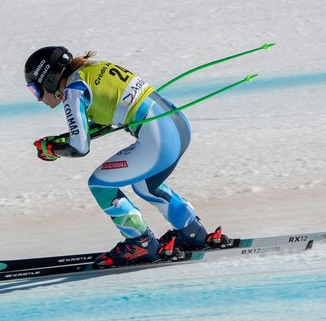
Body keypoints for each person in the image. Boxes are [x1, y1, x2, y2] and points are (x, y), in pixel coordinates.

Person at [24, 45, 213, 268]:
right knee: (145, 185)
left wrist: (51, 151)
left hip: (159, 140)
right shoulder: (91, 69)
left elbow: (79, 146)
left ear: (48, 79)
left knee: (100, 185)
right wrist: (59, 141)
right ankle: (192, 232)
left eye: (35, 90)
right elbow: (106, 123)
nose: (38, 99)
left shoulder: (73, 91)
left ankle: (141, 242)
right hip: (178, 126)